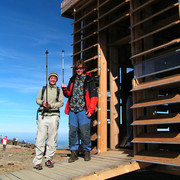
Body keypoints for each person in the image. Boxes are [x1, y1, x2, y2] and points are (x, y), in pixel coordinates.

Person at [61, 60, 98, 163]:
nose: (79, 70)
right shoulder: (72, 79)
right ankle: (74, 153)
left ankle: (87, 152)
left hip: (83, 110)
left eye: (81, 68)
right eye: (77, 68)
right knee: (72, 132)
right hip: (72, 110)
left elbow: (94, 96)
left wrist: (91, 110)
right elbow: (68, 94)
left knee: (84, 132)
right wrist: (64, 89)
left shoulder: (89, 79)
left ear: (84, 68)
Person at [33, 72, 64, 170]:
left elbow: (61, 103)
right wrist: (43, 103)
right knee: (40, 139)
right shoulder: (43, 89)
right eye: (51, 78)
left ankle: (49, 159)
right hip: (43, 116)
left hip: (54, 116)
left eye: (55, 78)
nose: (53, 79)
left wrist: (51, 105)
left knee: (52, 139)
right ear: (49, 79)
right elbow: (37, 100)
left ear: (56, 80)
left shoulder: (59, 90)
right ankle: (37, 161)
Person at [122, 70, 134, 148]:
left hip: (143, 96)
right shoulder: (129, 75)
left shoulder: (146, 71)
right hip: (131, 97)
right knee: (130, 119)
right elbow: (124, 88)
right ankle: (130, 141)